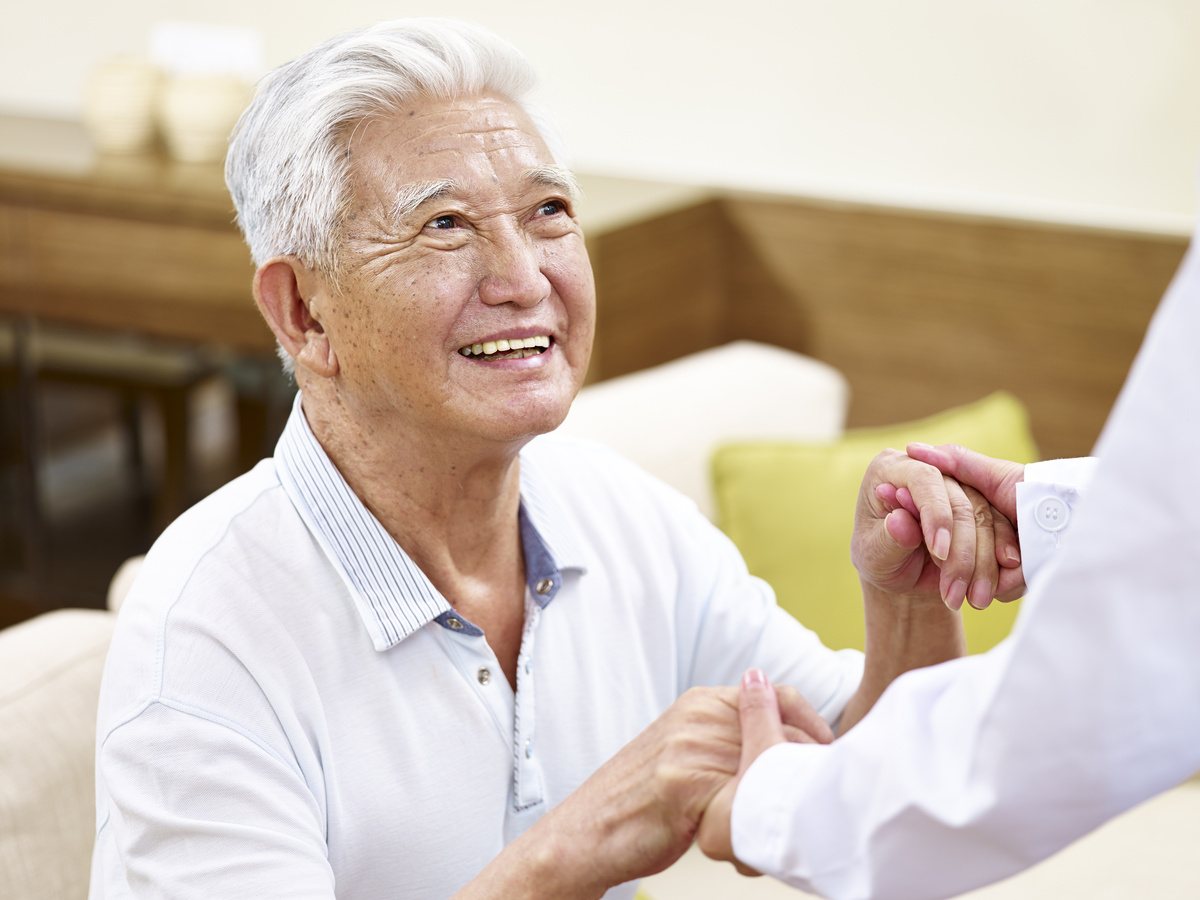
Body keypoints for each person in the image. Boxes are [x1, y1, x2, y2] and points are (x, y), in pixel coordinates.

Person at [88, 18, 1017, 900]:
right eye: (445, 225)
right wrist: (575, 851)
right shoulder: (204, 633)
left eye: (548, 212)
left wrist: (905, 601)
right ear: (303, 313)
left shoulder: (623, 515)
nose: (525, 279)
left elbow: (880, 815)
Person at [696, 222, 1200, 897]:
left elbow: (1069, 715)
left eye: (559, 209)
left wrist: (769, 801)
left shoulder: (653, 538)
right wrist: (1051, 515)